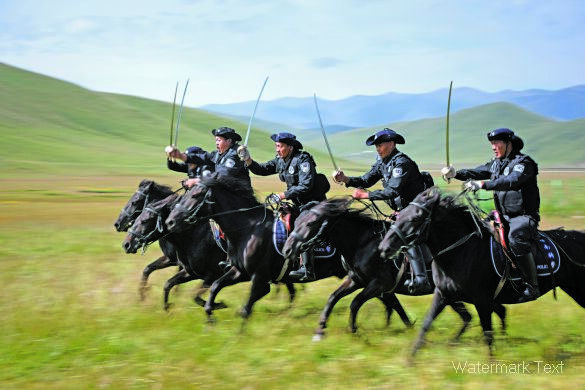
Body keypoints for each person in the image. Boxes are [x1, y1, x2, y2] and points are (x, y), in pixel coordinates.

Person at [441, 127, 540, 302]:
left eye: (496, 143)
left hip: (522, 217)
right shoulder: (496, 163)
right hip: (501, 215)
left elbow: (511, 181)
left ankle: (532, 286)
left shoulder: (523, 163)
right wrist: (455, 174)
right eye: (492, 144)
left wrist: (483, 184)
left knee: (516, 238)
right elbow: (475, 172)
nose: (493, 147)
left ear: (508, 144)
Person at [332, 128, 432, 293]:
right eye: (376, 146)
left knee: (405, 234)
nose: (377, 149)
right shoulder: (383, 162)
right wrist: (346, 179)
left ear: (391, 144)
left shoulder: (401, 163)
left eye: (380, 145)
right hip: (401, 211)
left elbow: (393, 191)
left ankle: (422, 278)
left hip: (416, 211)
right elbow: (366, 179)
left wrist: (366, 195)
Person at [237, 132, 329, 282]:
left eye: (280, 146)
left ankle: (308, 269)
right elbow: (262, 169)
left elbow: (306, 186)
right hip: (298, 204)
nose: (277, 150)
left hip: (313, 203)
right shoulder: (280, 161)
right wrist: (248, 159)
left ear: (290, 147)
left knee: (301, 225)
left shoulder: (303, 160)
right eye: (276, 146)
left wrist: (282, 195)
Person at [166, 126, 251, 189]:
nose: (216, 143)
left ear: (229, 141)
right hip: (225, 194)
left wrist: (197, 180)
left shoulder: (235, 154)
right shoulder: (217, 154)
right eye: (216, 140)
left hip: (239, 196)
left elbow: (223, 175)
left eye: (219, 140)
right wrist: (180, 156)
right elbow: (203, 158)